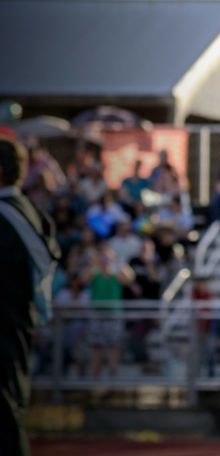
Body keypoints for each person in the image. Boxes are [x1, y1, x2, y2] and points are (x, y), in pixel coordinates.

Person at [0, 138, 60, 456]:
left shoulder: (6, 217)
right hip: (21, 322)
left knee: (5, 415)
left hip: (4, 323)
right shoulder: (31, 212)